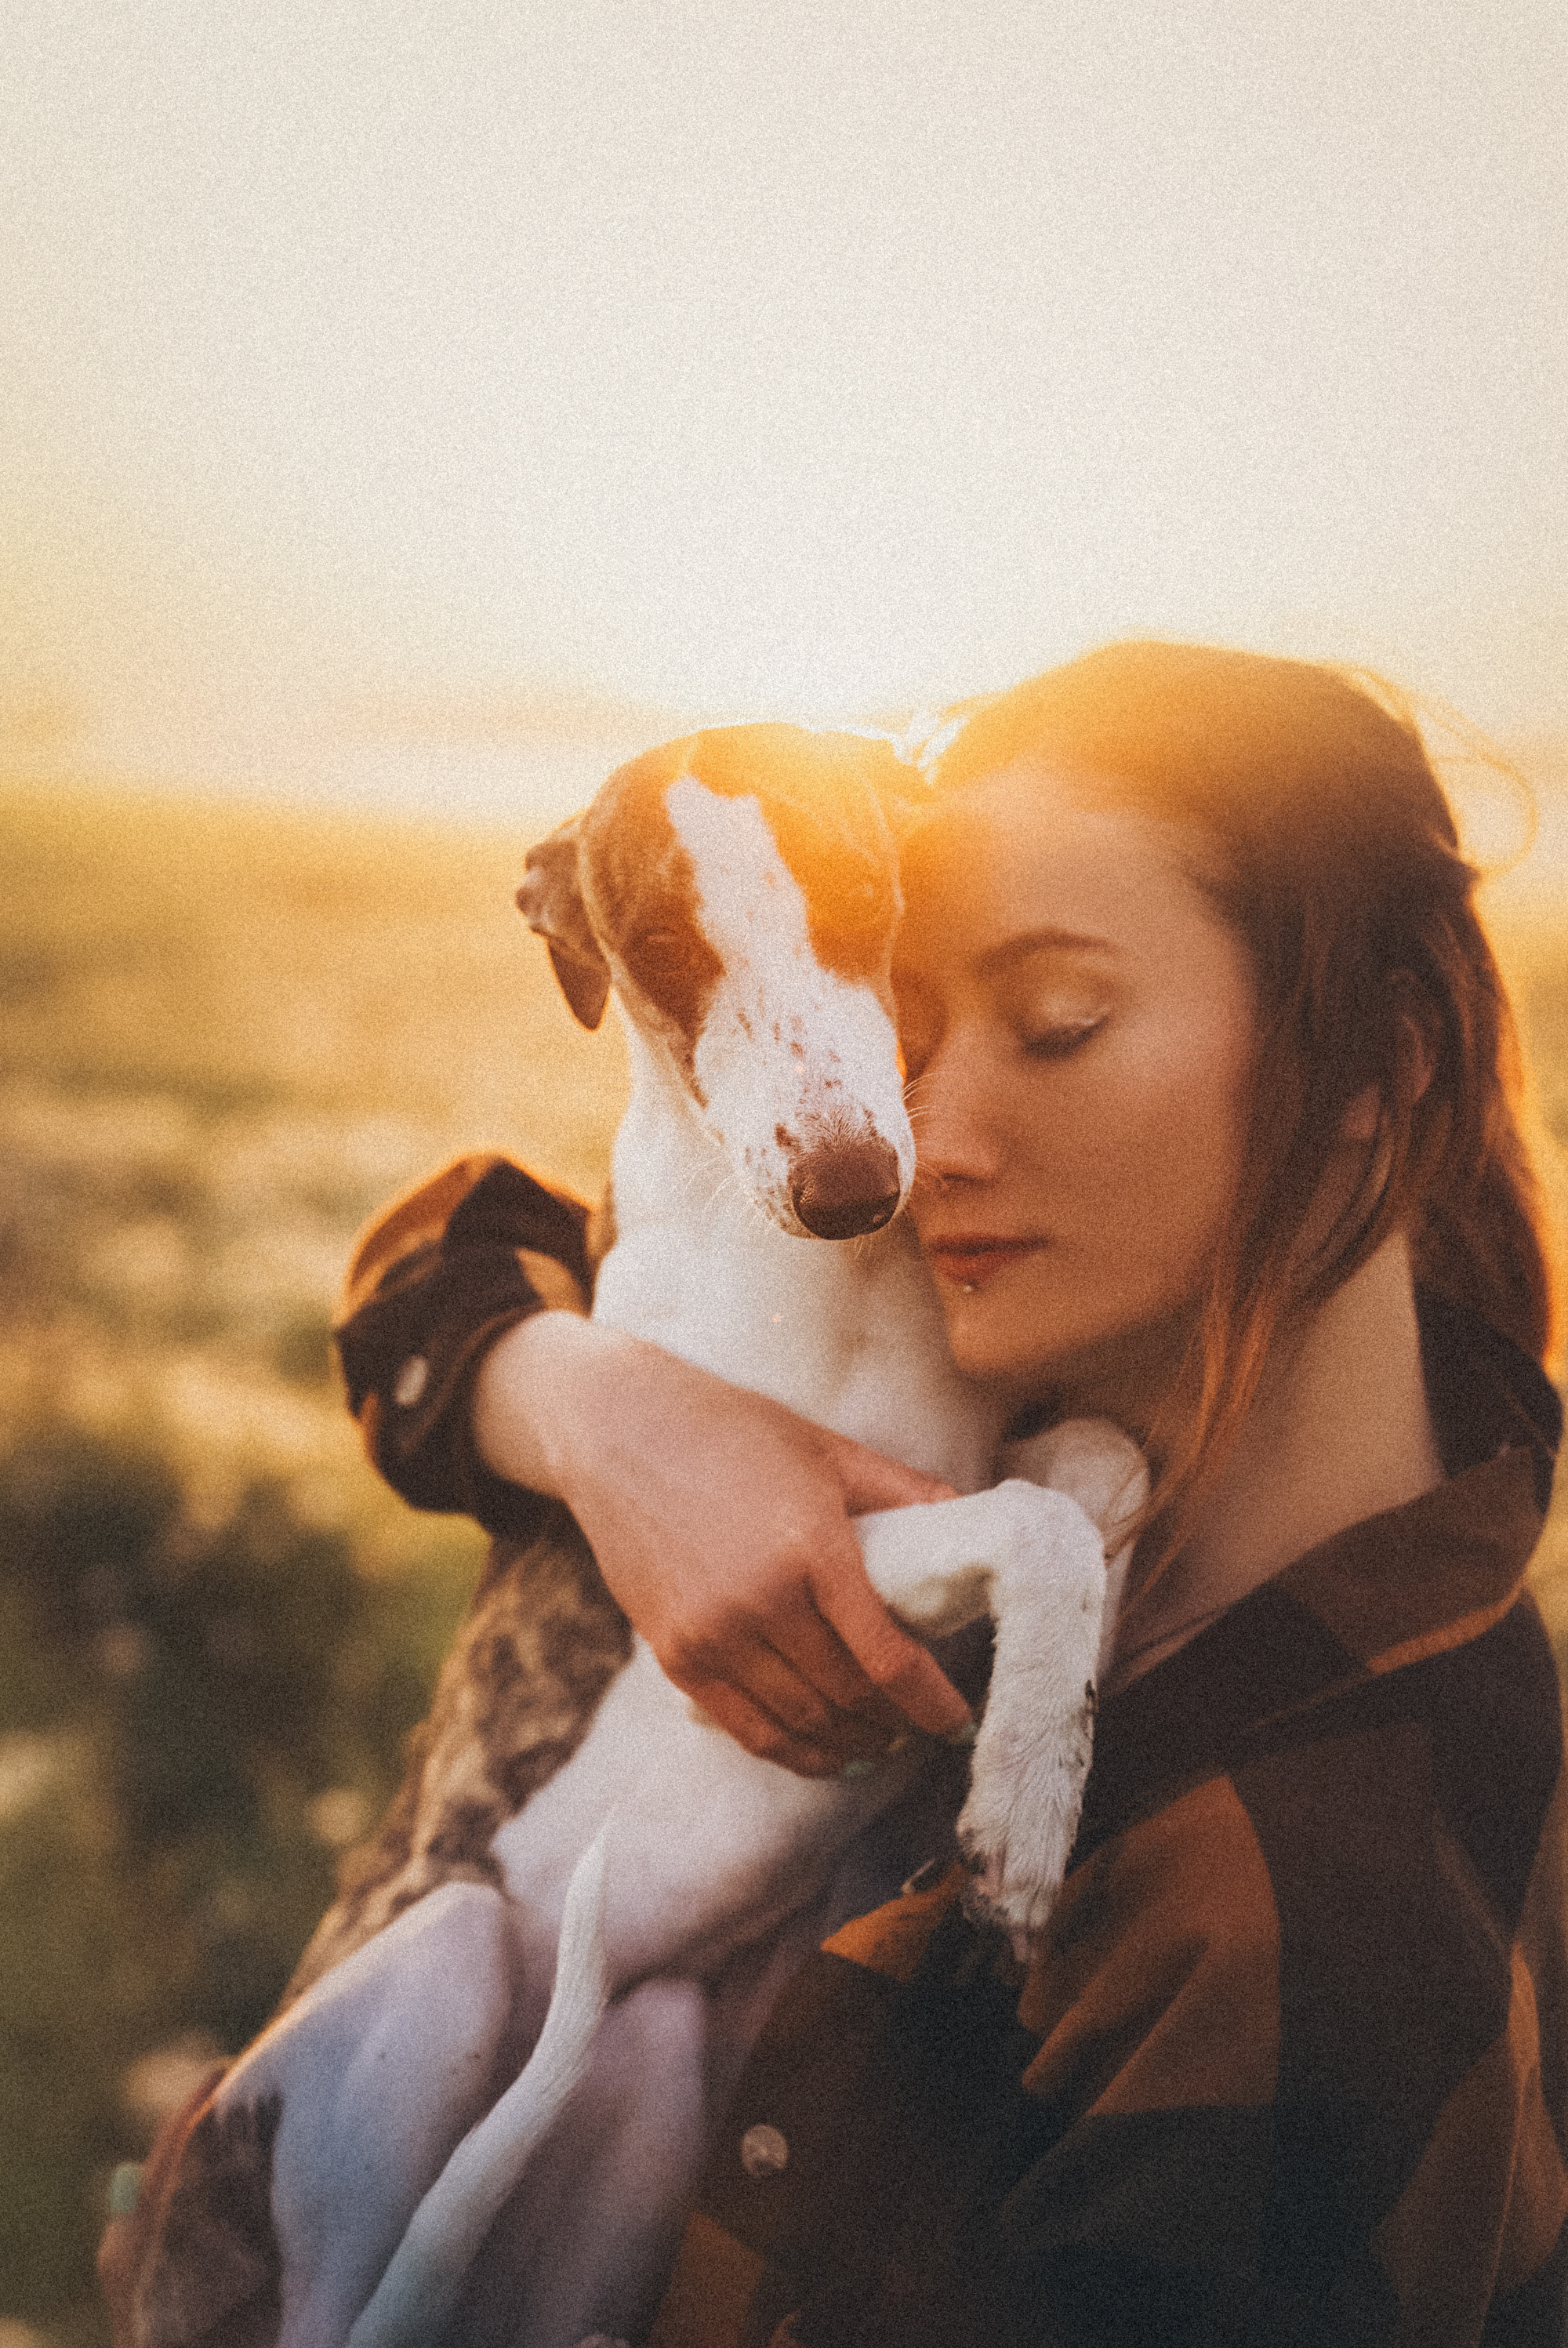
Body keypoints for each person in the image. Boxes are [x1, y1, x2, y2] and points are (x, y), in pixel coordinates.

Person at [121, 642, 1568, 2345]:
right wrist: (593, 1410)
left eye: (1053, 1024)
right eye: (912, 1013)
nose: (912, 1129)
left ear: (1378, 1063)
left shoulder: (1302, 1929)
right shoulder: (1070, 1426)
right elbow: (444, 1269)